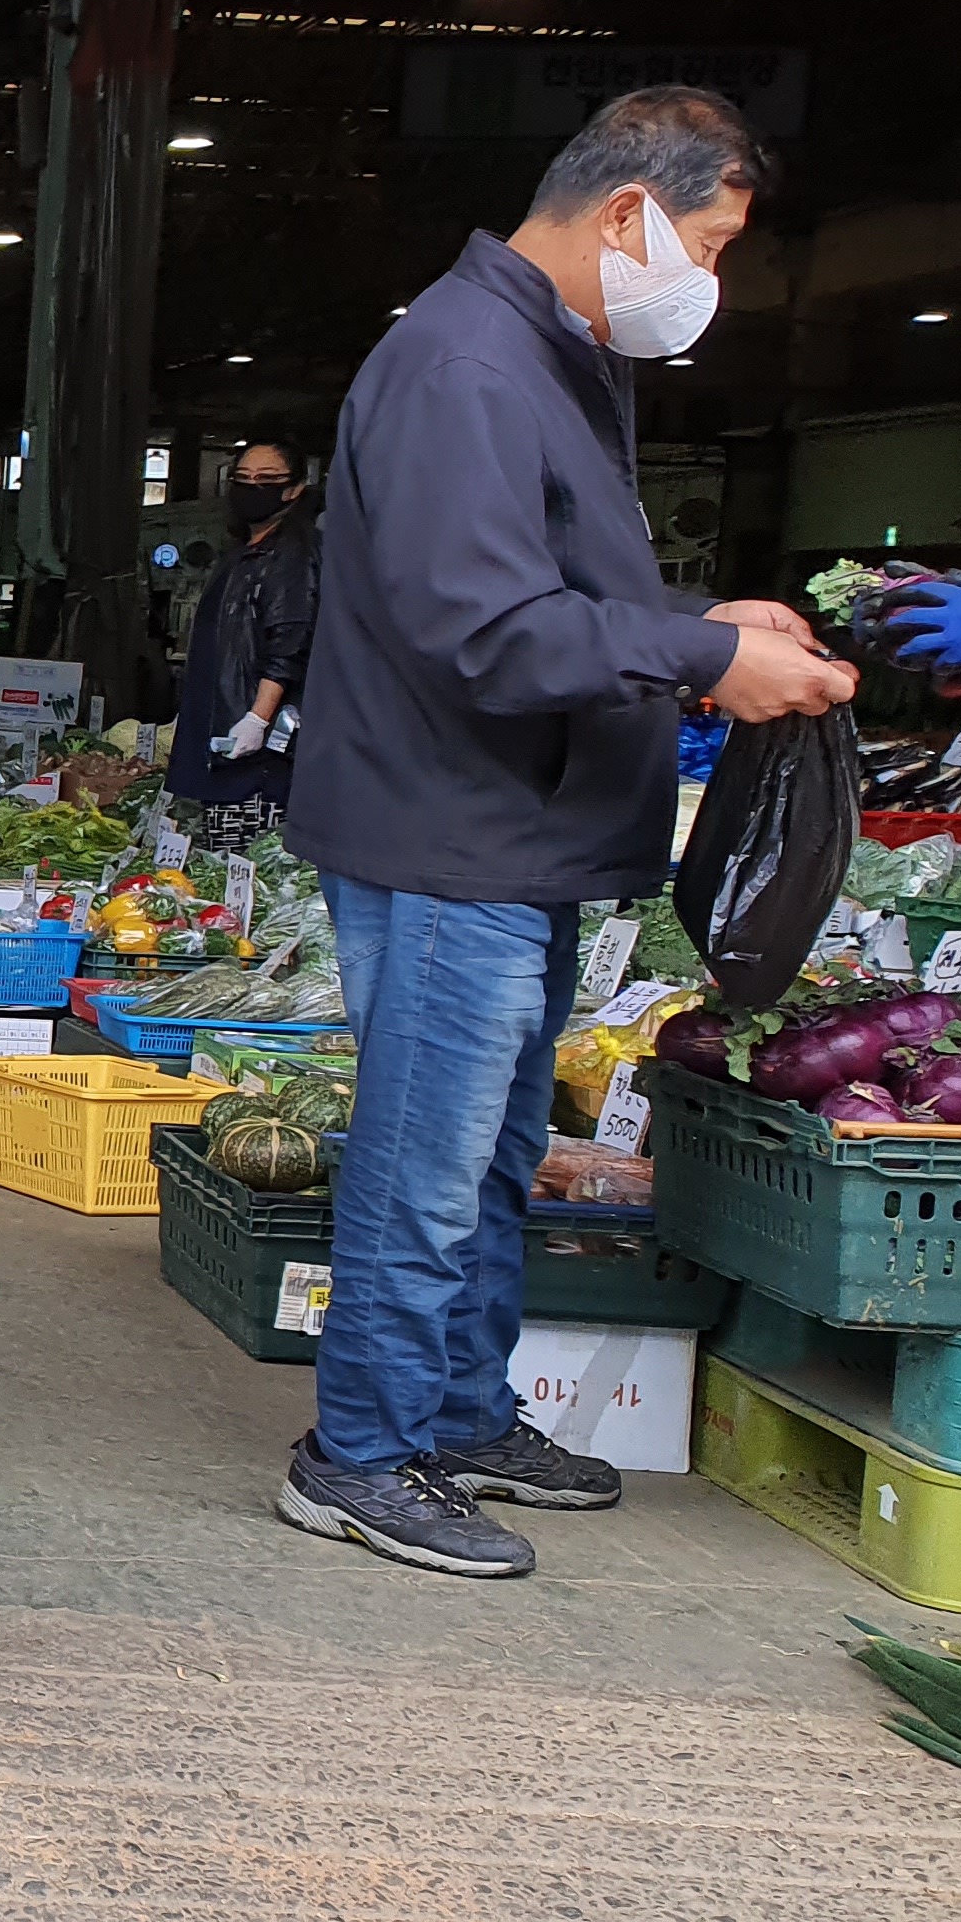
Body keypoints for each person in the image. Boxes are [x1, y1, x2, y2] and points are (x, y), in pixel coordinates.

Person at [280, 85, 852, 1576]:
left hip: (509, 833)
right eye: (710, 246)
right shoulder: (465, 365)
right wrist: (706, 659)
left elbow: (547, 588)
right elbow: (484, 630)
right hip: (450, 835)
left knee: (491, 1156)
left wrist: (706, 622)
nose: (710, 281)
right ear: (627, 213)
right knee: (426, 1162)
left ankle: (460, 1413)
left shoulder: (544, 352)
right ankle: (360, 1453)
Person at [163, 438, 316, 832]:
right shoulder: (243, 552)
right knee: (213, 848)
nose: (252, 487)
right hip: (222, 734)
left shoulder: (291, 554)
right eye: (243, 478)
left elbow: (288, 643)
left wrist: (256, 719)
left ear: (295, 488)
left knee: (245, 852)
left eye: (267, 479)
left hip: (253, 750)